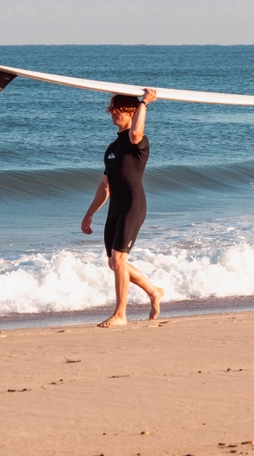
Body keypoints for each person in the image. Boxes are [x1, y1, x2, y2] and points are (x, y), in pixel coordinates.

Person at [81, 88, 164, 327]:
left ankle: (120, 314)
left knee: (118, 260)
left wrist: (145, 103)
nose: (113, 113)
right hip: (115, 208)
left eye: (118, 110)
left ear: (131, 111)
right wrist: (89, 213)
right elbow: (105, 186)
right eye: (112, 109)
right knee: (114, 263)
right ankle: (154, 291)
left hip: (133, 205)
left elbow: (136, 131)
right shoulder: (112, 148)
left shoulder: (138, 141)